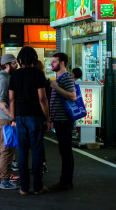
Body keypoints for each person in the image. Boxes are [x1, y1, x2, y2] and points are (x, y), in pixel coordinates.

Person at [9, 46, 50, 195]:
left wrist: (13, 118)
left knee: (23, 152)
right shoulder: (38, 74)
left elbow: (11, 99)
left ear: (20, 60)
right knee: (37, 151)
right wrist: (48, 119)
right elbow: (42, 99)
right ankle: (38, 187)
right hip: (36, 117)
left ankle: (24, 188)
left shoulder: (15, 75)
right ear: (34, 58)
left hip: (20, 117)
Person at [49, 52, 77, 191]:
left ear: (62, 63)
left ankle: (66, 181)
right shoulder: (59, 78)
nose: (51, 64)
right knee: (64, 150)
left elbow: (72, 96)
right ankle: (65, 180)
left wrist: (56, 87)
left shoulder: (66, 78)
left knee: (66, 151)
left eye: (54, 61)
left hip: (64, 121)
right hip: (59, 120)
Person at [0, 54, 19, 190]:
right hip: (4, 120)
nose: (17, 65)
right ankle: (4, 180)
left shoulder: (2, 77)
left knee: (0, 150)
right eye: (14, 63)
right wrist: (12, 116)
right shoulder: (3, 79)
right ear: (7, 65)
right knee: (6, 150)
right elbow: (1, 102)